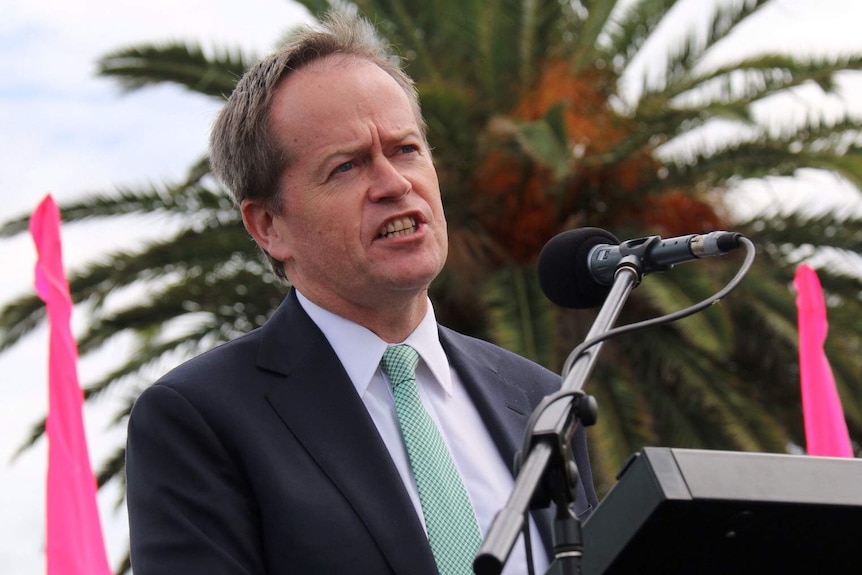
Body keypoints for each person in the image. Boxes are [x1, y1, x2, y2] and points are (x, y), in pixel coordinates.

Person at [125, 12, 598, 575]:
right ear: (268, 226)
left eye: (405, 150)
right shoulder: (199, 419)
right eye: (346, 166)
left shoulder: (541, 399)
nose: (395, 184)